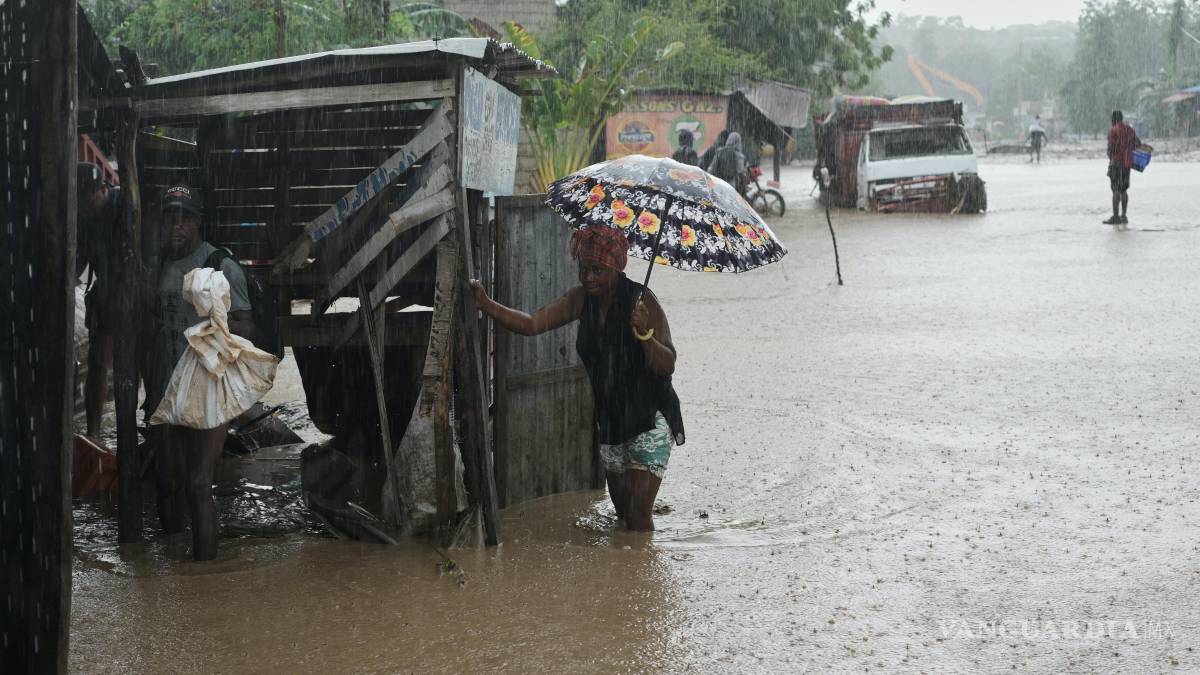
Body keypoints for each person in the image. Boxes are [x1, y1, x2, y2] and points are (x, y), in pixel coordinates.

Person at [468, 227, 685, 531]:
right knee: (622, 513)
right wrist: (486, 304)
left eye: (597, 270)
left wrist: (645, 335)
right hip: (612, 418)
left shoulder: (642, 300)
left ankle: (643, 573)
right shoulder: (581, 300)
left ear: (615, 267)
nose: (588, 277)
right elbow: (532, 324)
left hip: (650, 416)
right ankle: (623, 574)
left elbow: (668, 365)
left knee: (638, 515)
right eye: (584, 269)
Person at [147, 185, 256, 560]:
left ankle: (204, 581)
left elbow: (245, 329)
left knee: (197, 483)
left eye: (185, 218)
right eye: (169, 217)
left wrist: (209, 332)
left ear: (199, 222)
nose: (176, 225)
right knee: (166, 481)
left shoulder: (220, 266)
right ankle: (174, 565)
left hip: (208, 387)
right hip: (166, 388)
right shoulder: (158, 264)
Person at [77, 163, 121, 439]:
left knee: (140, 362)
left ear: (103, 190)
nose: (87, 207)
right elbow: (78, 261)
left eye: (90, 200)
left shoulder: (126, 206)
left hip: (136, 291)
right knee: (97, 363)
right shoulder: (84, 215)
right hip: (105, 291)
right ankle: (94, 433)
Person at [1104, 110, 1139, 226]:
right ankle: (1123, 216)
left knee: (1115, 190)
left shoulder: (1113, 130)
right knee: (1123, 190)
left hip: (1116, 164)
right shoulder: (1130, 130)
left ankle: (1115, 217)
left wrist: (1112, 157)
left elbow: (1110, 149)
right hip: (1127, 164)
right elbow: (1138, 144)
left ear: (1113, 119)